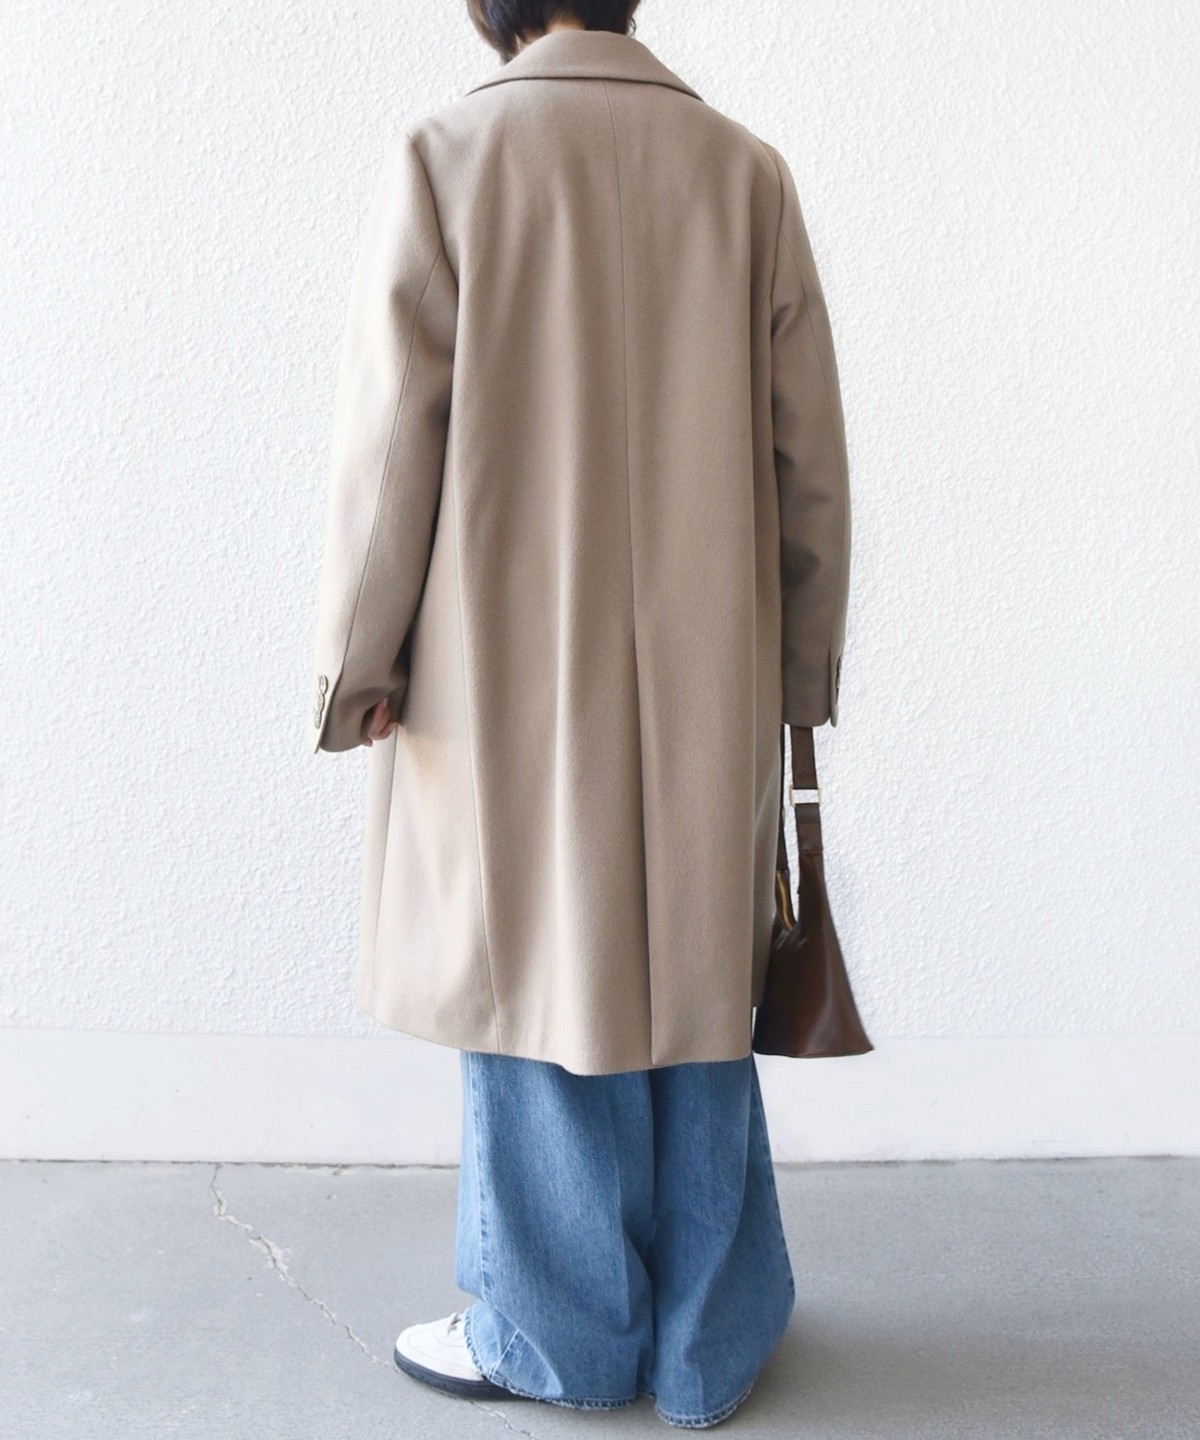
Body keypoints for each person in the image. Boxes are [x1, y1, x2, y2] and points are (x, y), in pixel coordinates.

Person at [306, 1, 851, 1428]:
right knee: (696, 977)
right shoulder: (745, 174)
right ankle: (709, 1344)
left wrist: (358, 662)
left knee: (532, 966)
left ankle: (553, 1335)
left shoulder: (450, 157)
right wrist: (800, 682)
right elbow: (808, 464)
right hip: (711, 668)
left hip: (501, 671)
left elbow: (392, 446)